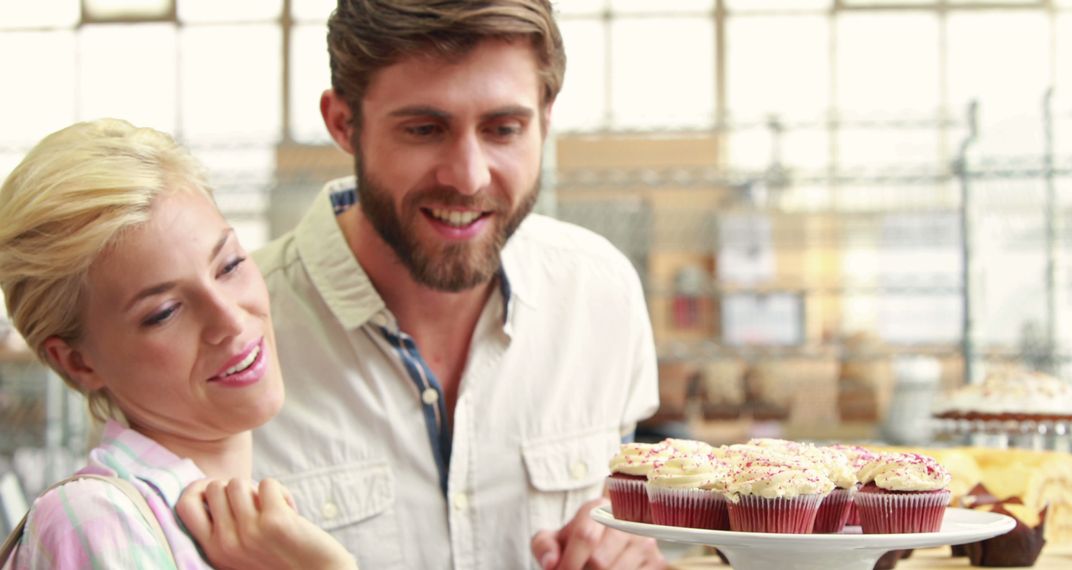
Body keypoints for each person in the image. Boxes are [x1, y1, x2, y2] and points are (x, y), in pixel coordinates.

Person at [251, 1, 664, 568]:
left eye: (503, 129)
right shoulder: (233, 337)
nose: (468, 177)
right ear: (345, 124)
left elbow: (627, 523)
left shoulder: (600, 295)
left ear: (545, 118)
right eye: (424, 129)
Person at [0, 118, 356, 569]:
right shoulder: (97, 521)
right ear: (76, 361)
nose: (229, 318)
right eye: (165, 312)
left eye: (228, 266)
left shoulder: (260, 525)